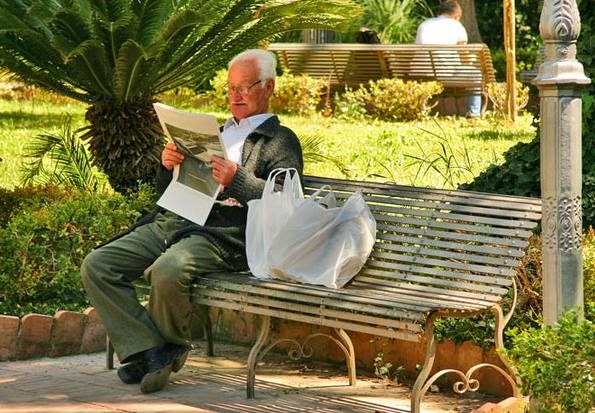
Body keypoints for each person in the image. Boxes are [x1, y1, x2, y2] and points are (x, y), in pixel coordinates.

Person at [81, 49, 303, 394]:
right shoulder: (212, 131)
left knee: (167, 271)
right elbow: (169, 191)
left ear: (269, 87)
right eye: (230, 88)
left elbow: (285, 201)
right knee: (98, 265)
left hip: (222, 234)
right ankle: (154, 350)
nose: (236, 96)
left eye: (245, 87)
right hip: (176, 220)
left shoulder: (281, 141)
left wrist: (238, 180)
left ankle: (160, 351)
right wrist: (167, 165)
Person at [415, 0, 481, 118]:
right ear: (456, 16)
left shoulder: (424, 24)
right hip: (445, 75)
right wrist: (471, 59)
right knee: (476, 74)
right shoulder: (457, 26)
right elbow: (464, 56)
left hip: (420, 73)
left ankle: (420, 111)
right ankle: (474, 113)